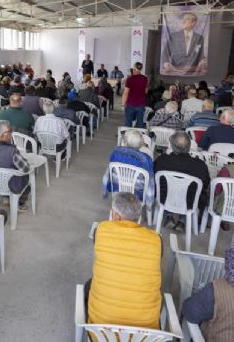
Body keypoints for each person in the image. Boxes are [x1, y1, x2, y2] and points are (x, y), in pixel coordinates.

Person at [87, 193, 161, 328]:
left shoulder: (101, 230)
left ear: (116, 216)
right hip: (146, 333)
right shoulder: (156, 240)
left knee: (89, 284)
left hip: (102, 331)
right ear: (137, 216)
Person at [153, 132, 209, 227]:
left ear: (172, 146)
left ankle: (168, 215)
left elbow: (154, 179)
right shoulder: (200, 165)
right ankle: (182, 221)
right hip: (189, 203)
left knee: (165, 190)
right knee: (194, 194)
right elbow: (206, 184)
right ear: (189, 146)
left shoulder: (161, 160)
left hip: (164, 199)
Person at [102, 130, 154, 207]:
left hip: (117, 189)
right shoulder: (146, 159)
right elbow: (150, 183)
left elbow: (107, 174)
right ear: (141, 144)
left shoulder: (116, 153)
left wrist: (104, 192)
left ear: (125, 142)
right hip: (137, 195)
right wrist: (149, 204)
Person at [122, 62, 149, 128]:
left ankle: (128, 134)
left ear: (134, 68)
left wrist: (123, 104)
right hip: (141, 104)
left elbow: (125, 93)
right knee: (140, 123)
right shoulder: (145, 79)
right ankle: (139, 134)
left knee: (128, 122)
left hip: (130, 104)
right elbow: (146, 91)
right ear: (140, 69)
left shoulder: (130, 79)